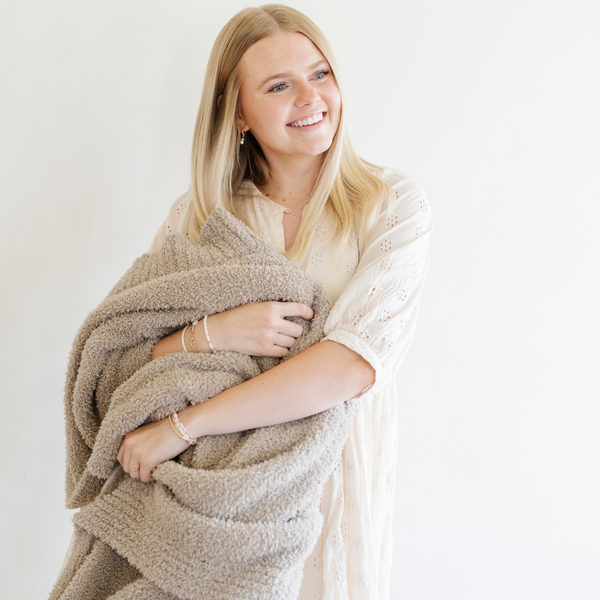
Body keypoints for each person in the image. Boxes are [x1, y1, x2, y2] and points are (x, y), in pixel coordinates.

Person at [112, 4, 432, 598]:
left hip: (330, 493)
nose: (311, 97)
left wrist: (185, 424)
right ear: (237, 112)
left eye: (321, 73)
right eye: (279, 85)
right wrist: (215, 333)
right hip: (213, 500)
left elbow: (350, 365)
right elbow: (123, 354)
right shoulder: (200, 218)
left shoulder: (388, 207)